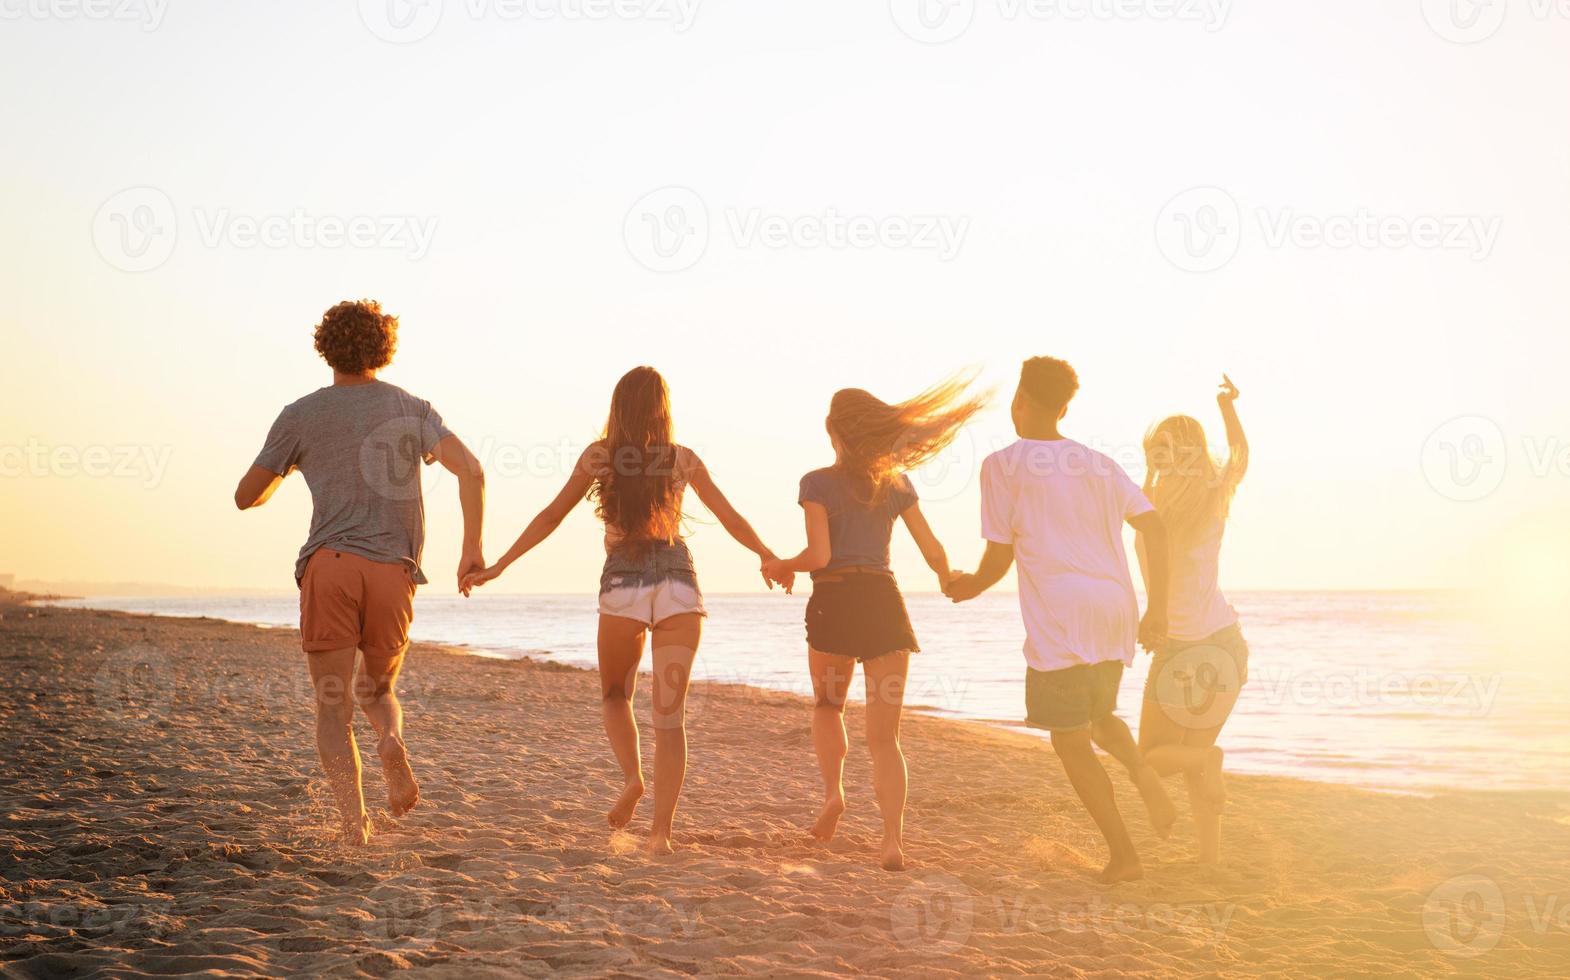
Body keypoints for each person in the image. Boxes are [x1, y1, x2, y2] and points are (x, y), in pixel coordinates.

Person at [461, 366, 787, 855]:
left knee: (616, 694)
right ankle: (660, 835)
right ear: (664, 410)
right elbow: (730, 516)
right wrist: (766, 553)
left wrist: (503, 564)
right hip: (678, 583)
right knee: (668, 716)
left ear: (618, 408)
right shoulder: (683, 460)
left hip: (623, 583)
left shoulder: (600, 458)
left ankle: (633, 778)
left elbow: (552, 514)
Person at [235, 299, 486, 846]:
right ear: (384, 349)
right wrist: (471, 551)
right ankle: (391, 742)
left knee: (332, 705)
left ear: (326, 346)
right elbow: (472, 471)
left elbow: (245, 497)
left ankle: (356, 825)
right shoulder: (411, 408)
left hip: (331, 565)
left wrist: (292, 465)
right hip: (394, 571)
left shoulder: (299, 414)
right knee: (378, 690)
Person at [946, 356, 1175, 884]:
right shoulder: (1098, 462)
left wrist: (967, 586)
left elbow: (998, 558)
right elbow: (1156, 528)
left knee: (1070, 740)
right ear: (1065, 407)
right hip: (1116, 609)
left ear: (1019, 401)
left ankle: (1124, 855)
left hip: (1061, 616)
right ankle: (1143, 773)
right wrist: (1157, 607)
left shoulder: (1001, 465)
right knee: (1097, 718)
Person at [763, 377, 988, 872]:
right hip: (883, 602)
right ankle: (891, 842)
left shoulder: (816, 483)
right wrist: (948, 577)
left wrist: (783, 564)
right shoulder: (897, 484)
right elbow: (932, 549)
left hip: (835, 600)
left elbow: (820, 555)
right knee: (885, 738)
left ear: (833, 431)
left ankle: (833, 796)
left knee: (828, 705)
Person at [1135, 374, 1250, 864]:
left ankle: (1208, 760)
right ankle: (1209, 861)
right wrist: (1226, 407)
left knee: (1151, 760)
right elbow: (1239, 454)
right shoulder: (1214, 494)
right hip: (1226, 644)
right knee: (1194, 765)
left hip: (1181, 648)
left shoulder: (1147, 507)